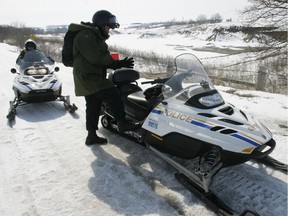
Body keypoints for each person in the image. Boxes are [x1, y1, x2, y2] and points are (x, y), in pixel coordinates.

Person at [69, 10, 138, 146]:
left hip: (88, 77)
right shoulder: (86, 35)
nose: (108, 31)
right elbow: (97, 57)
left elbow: (98, 58)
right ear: (100, 25)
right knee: (112, 92)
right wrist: (118, 63)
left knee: (93, 106)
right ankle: (122, 122)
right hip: (88, 78)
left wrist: (117, 63)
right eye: (107, 28)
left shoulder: (93, 36)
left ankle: (91, 136)